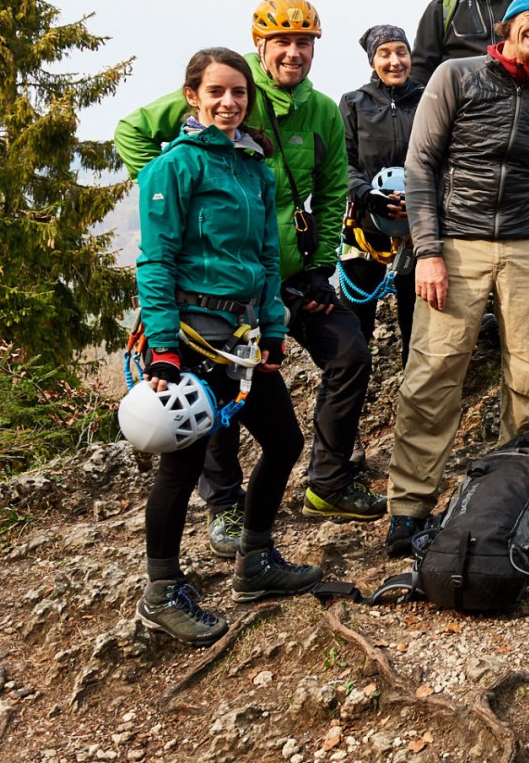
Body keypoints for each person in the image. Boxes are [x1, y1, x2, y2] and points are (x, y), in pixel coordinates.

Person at [116, 0, 383, 549]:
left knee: (350, 352)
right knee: (220, 397)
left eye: (303, 42)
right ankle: (225, 505)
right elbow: (132, 130)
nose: (292, 52)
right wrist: (185, 201)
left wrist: (318, 269)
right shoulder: (227, 83)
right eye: (281, 42)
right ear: (259, 45)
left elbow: (333, 188)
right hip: (217, 292)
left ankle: (328, 480)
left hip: (283, 278)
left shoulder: (322, 112)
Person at [387, 0, 529, 557]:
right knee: (434, 372)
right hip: (458, 244)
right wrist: (427, 250)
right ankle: (409, 505)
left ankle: (514, 501)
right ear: (511, 22)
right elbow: (420, 166)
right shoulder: (457, 76)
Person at [131, 48, 321, 645]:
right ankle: (160, 593)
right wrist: (163, 349)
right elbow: (155, 261)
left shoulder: (253, 168)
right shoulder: (174, 168)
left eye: (238, 93)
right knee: (183, 464)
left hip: (242, 339)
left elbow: (267, 257)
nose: (228, 103)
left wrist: (272, 328)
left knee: (285, 440)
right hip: (190, 337)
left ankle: (256, 562)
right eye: (215, 92)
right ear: (192, 96)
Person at [338, 24, 422, 365]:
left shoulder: (428, 98)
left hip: (418, 232)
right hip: (364, 229)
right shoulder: (353, 103)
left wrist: (420, 200)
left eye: (401, 52)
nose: (394, 61)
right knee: (354, 329)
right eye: (385, 54)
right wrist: (365, 194)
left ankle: (414, 403)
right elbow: (341, 161)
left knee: (416, 326)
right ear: (372, 60)